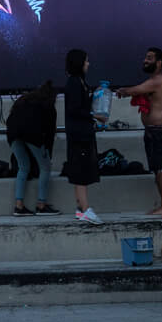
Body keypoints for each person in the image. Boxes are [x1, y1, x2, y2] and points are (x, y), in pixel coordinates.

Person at [110, 46, 162, 212]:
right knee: (157, 169)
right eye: (145, 57)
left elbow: (136, 90)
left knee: (160, 169)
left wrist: (122, 91)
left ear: (159, 63)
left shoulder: (159, 80)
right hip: (155, 132)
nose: (145, 60)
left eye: (149, 58)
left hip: (160, 132)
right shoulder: (155, 80)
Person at [59, 48, 103, 224]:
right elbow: (75, 109)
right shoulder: (74, 83)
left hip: (84, 133)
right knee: (80, 171)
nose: (88, 64)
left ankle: (81, 208)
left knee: (83, 169)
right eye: (86, 61)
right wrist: (94, 115)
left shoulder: (80, 82)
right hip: (79, 135)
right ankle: (84, 208)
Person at [5, 79, 59, 215]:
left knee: (23, 167)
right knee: (45, 167)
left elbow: (10, 119)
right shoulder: (48, 106)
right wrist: (48, 154)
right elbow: (49, 133)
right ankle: (41, 205)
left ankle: (19, 206)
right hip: (32, 135)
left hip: (13, 134)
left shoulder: (23, 100)